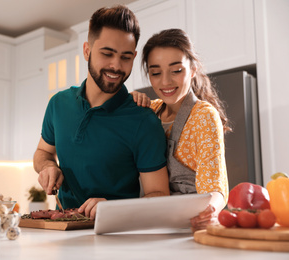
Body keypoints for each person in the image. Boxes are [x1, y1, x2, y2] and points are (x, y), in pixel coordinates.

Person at [33, 5, 170, 220]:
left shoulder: (143, 120)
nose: (116, 66)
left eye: (126, 57)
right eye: (107, 54)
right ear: (87, 50)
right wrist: (48, 167)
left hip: (118, 237)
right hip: (64, 234)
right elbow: (42, 152)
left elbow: (160, 195)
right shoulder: (58, 104)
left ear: (134, 56)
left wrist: (113, 208)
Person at [133, 28, 230, 230]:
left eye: (176, 70)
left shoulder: (203, 116)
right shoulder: (151, 110)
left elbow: (215, 187)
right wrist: (131, 99)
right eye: (156, 73)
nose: (166, 81)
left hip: (189, 225)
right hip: (152, 224)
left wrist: (210, 210)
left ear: (193, 69)